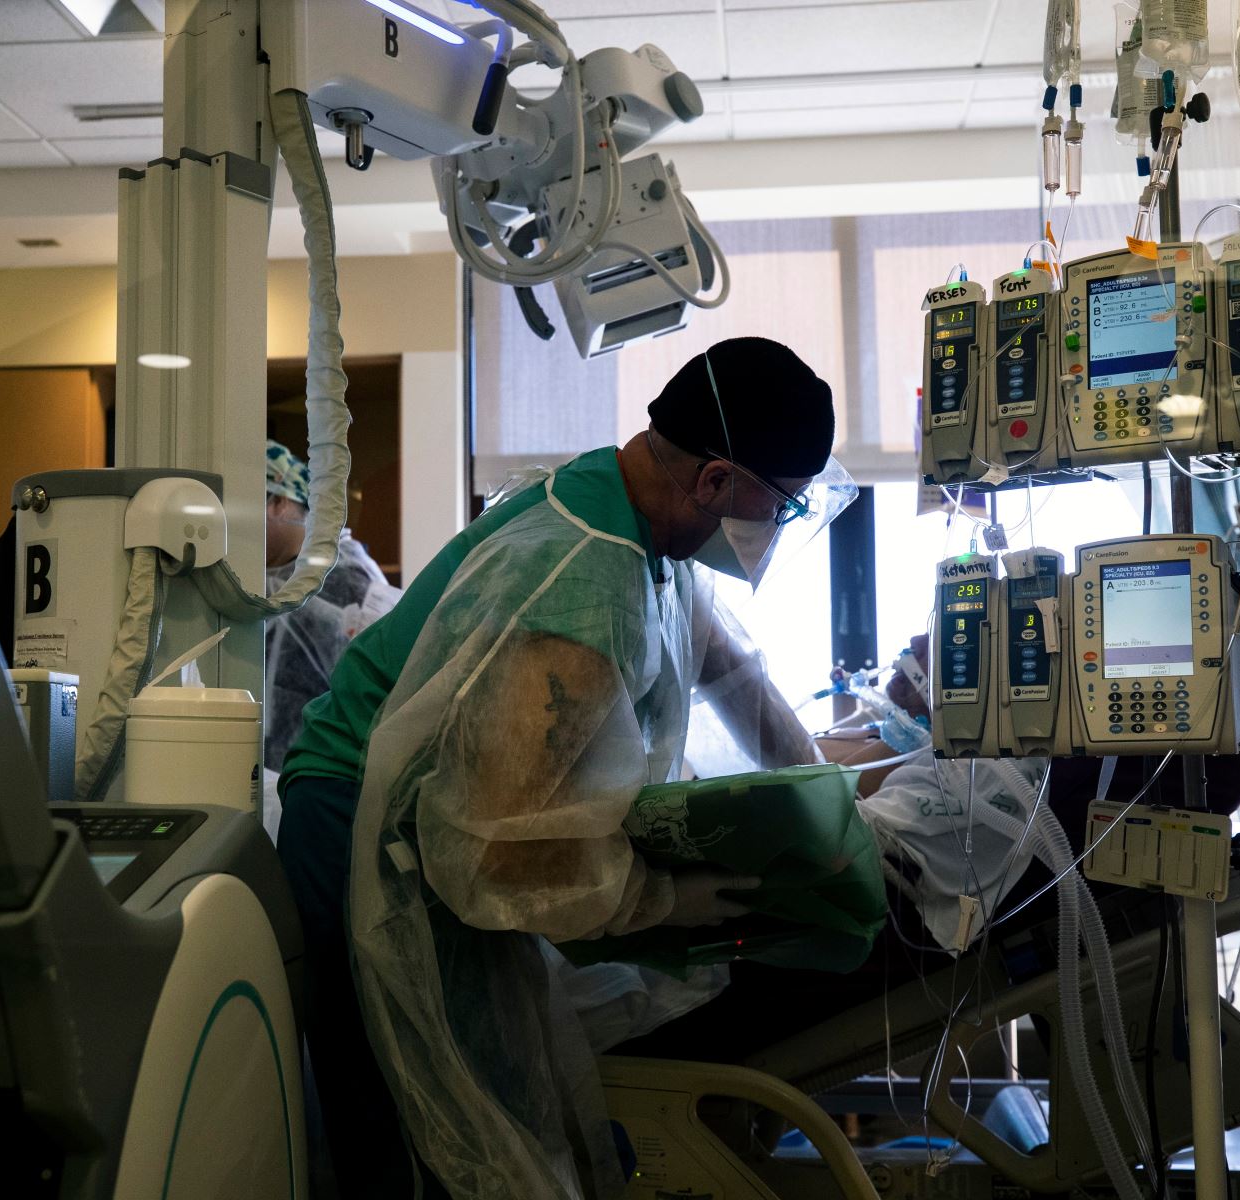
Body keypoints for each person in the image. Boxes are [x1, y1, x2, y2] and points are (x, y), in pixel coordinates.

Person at [275, 337, 856, 1197]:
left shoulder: (634, 509)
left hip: (426, 821)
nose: (777, 529)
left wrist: (830, 798)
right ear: (715, 482)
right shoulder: (583, 577)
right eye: (784, 508)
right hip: (367, 830)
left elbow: (733, 673)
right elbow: (500, 847)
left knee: (492, 1113)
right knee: (416, 1134)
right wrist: (661, 899)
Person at [261, 440, 400, 771]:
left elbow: (381, 693)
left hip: (328, 775)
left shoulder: (345, 578)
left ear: (278, 501)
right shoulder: (256, 578)